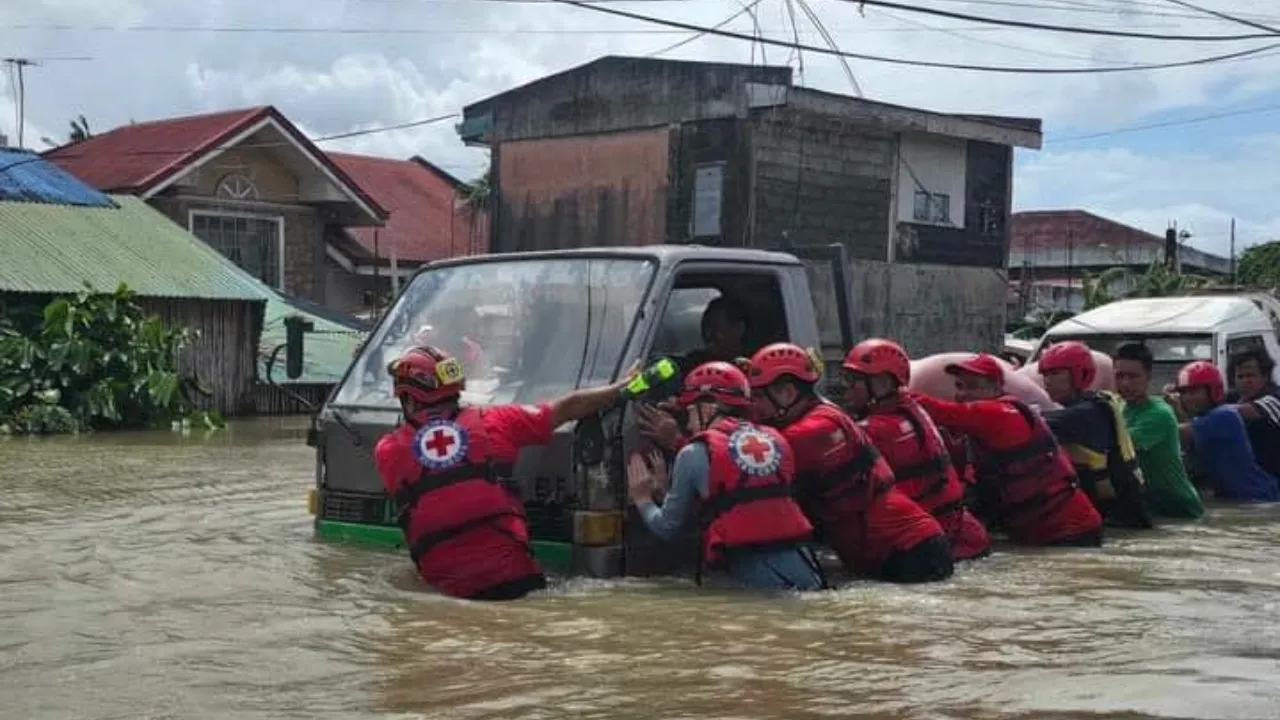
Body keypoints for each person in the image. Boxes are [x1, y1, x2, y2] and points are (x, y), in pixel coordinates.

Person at [373, 345, 635, 601]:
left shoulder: (387, 452)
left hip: (448, 595)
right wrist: (621, 388)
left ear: (407, 398)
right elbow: (566, 408)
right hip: (517, 584)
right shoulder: (495, 421)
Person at [747, 342, 954, 583]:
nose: (755, 405)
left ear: (787, 393)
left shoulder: (815, 430)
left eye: (759, 396)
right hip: (890, 550)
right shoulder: (821, 416)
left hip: (910, 551)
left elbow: (746, 460)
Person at [625, 361, 826, 591]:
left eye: (690, 411)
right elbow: (740, 501)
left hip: (759, 588)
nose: (688, 424)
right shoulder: (777, 440)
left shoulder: (692, 453)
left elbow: (667, 528)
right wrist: (666, 493)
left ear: (709, 408)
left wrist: (643, 499)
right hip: (808, 571)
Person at [910, 353, 1104, 547]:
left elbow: (939, 410)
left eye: (973, 386)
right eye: (960, 386)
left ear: (996, 388)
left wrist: (892, 393)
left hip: (1071, 530)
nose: (963, 394)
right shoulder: (975, 430)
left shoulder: (1002, 414)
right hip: (1035, 531)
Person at [840, 338, 991, 561]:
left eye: (853, 380)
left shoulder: (879, 429)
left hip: (944, 545)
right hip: (964, 535)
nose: (847, 389)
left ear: (881, 384)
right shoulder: (913, 409)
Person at [1037, 341, 1153, 529]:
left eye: (1055, 374)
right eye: (1045, 375)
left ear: (1080, 374)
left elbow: (1032, 421)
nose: (1047, 381)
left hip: (1122, 522)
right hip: (1116, 516)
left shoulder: (1088, 412)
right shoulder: (1093, 404)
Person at [635, 295, 750, 454]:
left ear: (739, 329)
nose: (710, 338)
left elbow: (729, 454)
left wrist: (676, 441)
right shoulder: (694, 362)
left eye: (718, 331)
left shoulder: (752, 376)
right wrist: (683, 410)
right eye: (707, 330)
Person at [1112, 343, 1206, 519]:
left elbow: (1118, 447)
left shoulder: (1158, 414)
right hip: (1153, 505)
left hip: (1181, 509)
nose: (1125, 383)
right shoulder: (1119, 407)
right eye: (1120, 376)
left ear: (1148, 376)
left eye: (1133, 377)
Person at [1169, 360, 1280, 502]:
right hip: (1234, 497)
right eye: (1184, 392)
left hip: (1257, 497)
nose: (1189, 398)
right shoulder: (1205, 418)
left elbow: (1177, 433)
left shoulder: (1223, 415)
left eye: (1195, 391)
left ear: (1212, 391)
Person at [1223, 347, 1280, 479]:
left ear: (1265, 376)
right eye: (1240, 376)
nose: (1245, 381)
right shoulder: (1233, 397)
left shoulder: (1275, 396)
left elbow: (1250, 411)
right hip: (1247, 479)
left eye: (1251, 375)